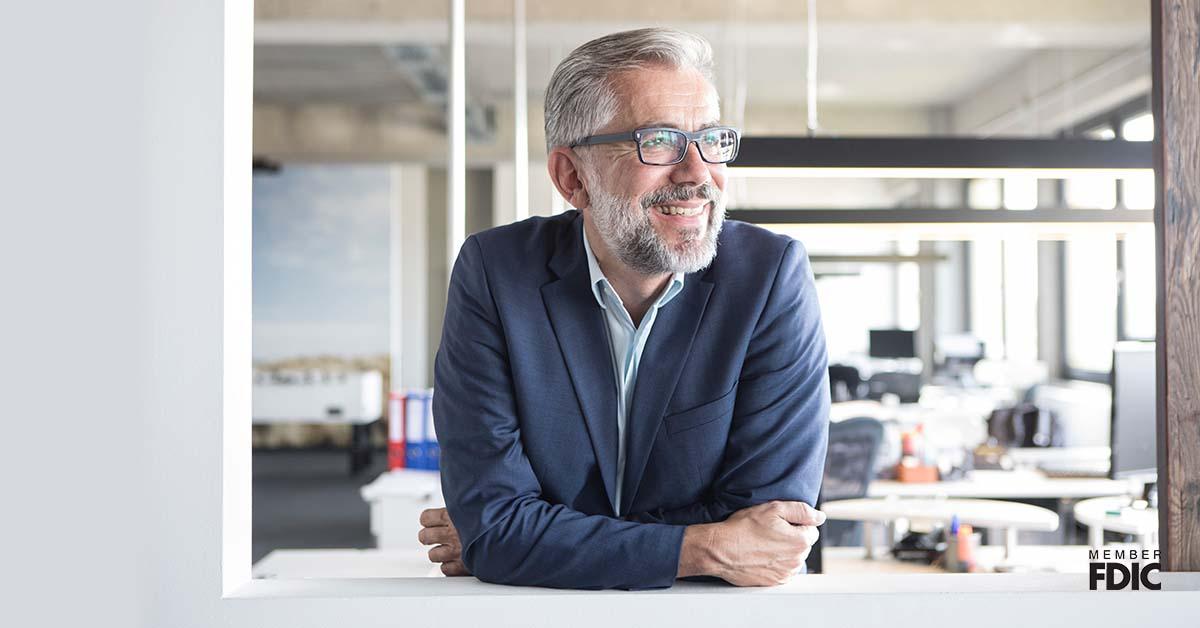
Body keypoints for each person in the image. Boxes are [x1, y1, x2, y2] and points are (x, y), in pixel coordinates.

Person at [419, 27, 830, 590]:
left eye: (711, 139)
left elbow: (767, 534)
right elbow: (497, 529)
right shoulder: (497, 271)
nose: (696, 175)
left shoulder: (770, 276)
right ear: (572, 177)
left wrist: (535, 538)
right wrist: (707, 545)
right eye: (658, 142)